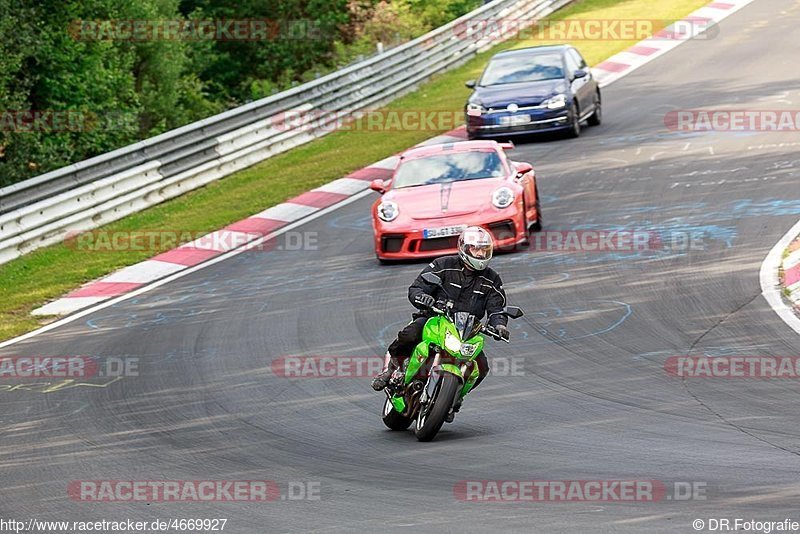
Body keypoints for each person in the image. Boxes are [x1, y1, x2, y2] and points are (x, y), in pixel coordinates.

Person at [372, 226, 509, 417]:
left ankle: (456, 396)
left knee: (482, 367)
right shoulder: (443, 264)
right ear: (464, 248)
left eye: (484, 250)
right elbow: (418, 287)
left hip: (466, 331)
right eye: (476, 249)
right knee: (410, 334)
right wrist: (422, 297)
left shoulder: (492, 279)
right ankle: (390, 370)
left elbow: (497, 308)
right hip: (434, 318)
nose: (480, 253)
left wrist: (500, 325)